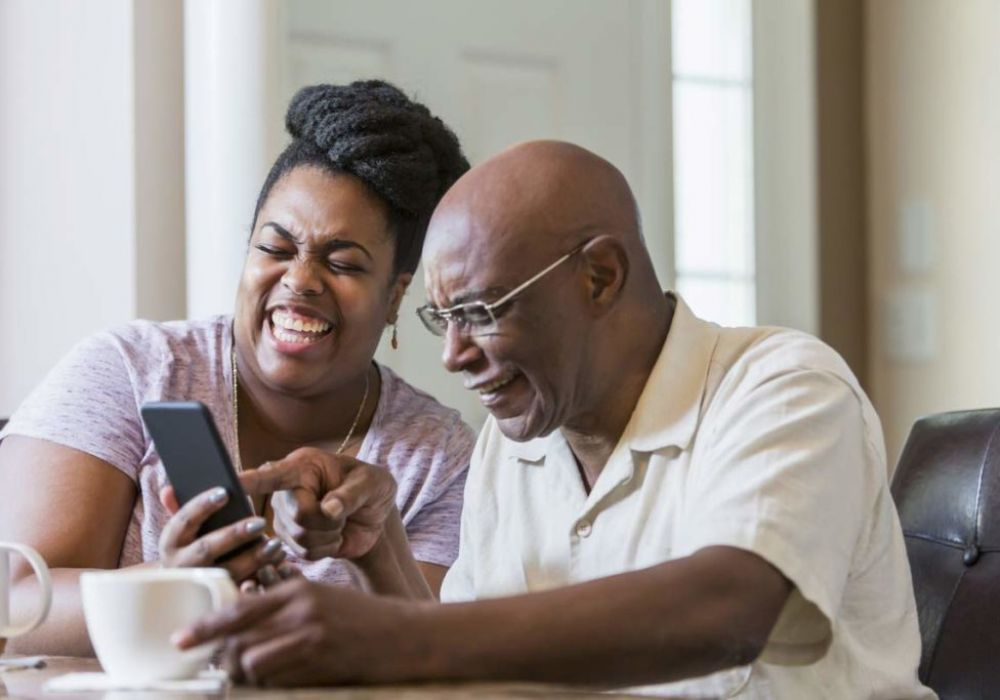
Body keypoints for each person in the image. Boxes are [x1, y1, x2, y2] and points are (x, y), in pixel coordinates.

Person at [172, 141, 933, 698]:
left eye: (480, 312)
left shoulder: (782, 386)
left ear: (600, 277)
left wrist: (386, 635)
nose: (455, 356)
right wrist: (380, 558)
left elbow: (728, 608)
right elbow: (473, 672)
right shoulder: (520, 443)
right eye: (444, 319)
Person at [0, 80, 475, 657]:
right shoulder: (130, 371)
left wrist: (378, 546)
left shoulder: (437, 456)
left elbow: (432, 664)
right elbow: (17, 601)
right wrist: (178, 589)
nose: (299, 281)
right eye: (275, 249)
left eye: (344, 263)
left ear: (396, 296)